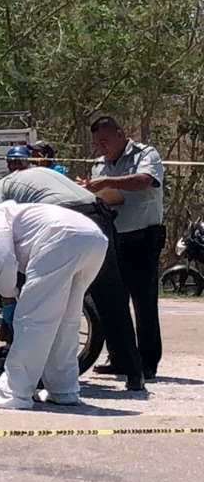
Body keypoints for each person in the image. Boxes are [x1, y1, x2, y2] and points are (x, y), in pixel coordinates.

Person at [0, 159, 145, 391]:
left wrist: (8, 295)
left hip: (65, 220)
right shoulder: (36, 174)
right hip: (98, 217)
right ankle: (134, 373)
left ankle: (20, 378)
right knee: (111, 299)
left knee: (34, 306)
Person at [0, 201, 109, 409]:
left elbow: (2, 261)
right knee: (66, 320)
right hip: (95, 238)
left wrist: (8, 297)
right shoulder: (17, 216)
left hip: (62, 238)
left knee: (33, 319)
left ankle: (15, 392)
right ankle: (63, 389)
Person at [79, 116, 166, 380]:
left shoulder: (145, 154)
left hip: (143, 238)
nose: (100, 148)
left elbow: (144, 181)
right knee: (111, 302)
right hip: (113, 239)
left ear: (120, 134)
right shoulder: (98, 166)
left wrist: (108, 183)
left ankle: (147, 362)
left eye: (104, 141)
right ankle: (120, 358)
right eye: (96, 144)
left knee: (144, 303)